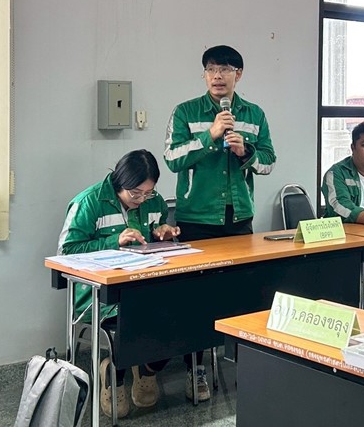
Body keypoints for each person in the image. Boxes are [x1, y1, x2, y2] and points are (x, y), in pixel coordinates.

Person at [164, 44, 276, 400]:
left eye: (225, 69)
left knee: (241, 292)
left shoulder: (254, 114)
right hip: (196, 218)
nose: (217, 76)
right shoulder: (186, 112)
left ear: (237, 74)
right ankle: (196, 368)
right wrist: (209, 135)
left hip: (239, 218)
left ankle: (244, 363)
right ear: (204, 75)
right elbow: (172, 158)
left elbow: (269, 162)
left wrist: (247, 152)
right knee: (197, 297)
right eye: (211, 69)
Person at [57, 150, 180, 419]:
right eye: (136, 193)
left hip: (144, 286)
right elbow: (66, 252)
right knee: (135, 315)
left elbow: (154, 237)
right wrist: (115, 241)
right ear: (119, 182)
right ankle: (114, 371)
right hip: (99, 295)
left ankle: (147, 369)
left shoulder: (154, 201)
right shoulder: (89, 202)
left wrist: (163, 233)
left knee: (182, 312)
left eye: (148, 193)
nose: (142, 199)